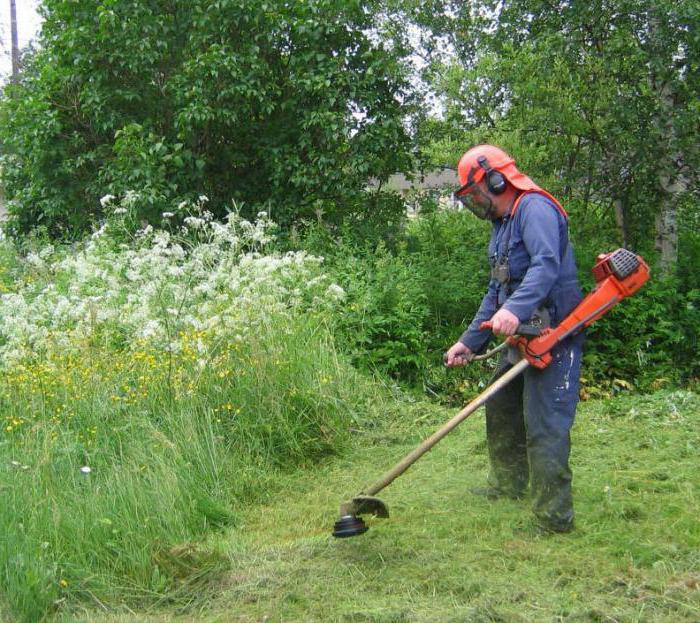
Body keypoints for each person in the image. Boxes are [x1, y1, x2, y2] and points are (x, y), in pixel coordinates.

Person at [444, 144, 584, 534]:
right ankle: (508, 485)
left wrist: (514, 310)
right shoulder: (503, 225)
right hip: (523, 335)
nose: (475, 203)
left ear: (496, 179)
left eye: (475, 193)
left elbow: (545, 265)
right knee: (501, 407)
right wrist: (469, 342)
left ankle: (553, 518)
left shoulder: (534, 209)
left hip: (553, 335)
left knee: (545, 425)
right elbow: (497, 289)